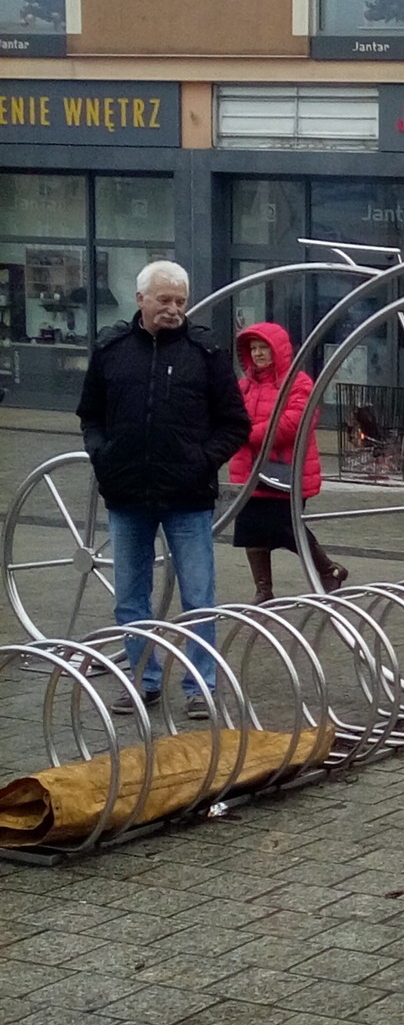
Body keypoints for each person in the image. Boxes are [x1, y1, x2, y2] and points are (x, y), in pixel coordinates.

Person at [77, 261, 248, 718]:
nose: (173, 309)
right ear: (141, 300)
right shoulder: (112, 350)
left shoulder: (205, 353)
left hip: (188, 498)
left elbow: (235, 423)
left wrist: (202, 460)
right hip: (127, 494)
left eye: (180, 301)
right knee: (130, 598)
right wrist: (102, 454)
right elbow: (90, 414)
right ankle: (142, 682)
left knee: (199, 596)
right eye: (164, 300)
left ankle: (200, 686)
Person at [227, 321, 347, 604]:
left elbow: (295, 422)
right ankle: (263, 590)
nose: (258, 354)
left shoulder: (299, 383)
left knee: (288, 529)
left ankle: (328, 570)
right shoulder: (243, 387)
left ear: (277, 350)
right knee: (252, 532)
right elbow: (230, 417)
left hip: (285, 471)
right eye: (253, 349)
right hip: (250, 471)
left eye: (263, 348)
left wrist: (248, 434)